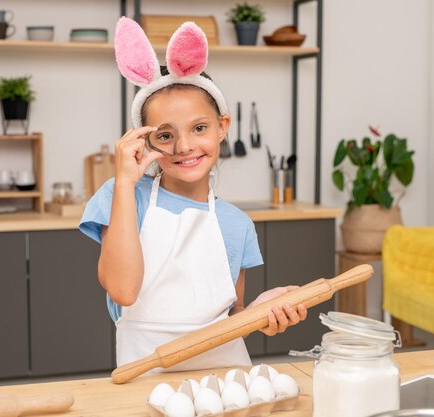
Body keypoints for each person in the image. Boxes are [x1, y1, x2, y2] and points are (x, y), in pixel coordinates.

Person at [79, 17, 307, 372]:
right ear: (144, 139)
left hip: (226, 378)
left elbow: (233, 317)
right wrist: (124, 181)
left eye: (199, 128)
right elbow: (122, 291)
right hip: (145, 376)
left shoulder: (236, 223)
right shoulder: (123, 197)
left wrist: (263, 312)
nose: (184, 146)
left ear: (222, 128)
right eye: (165, 135)